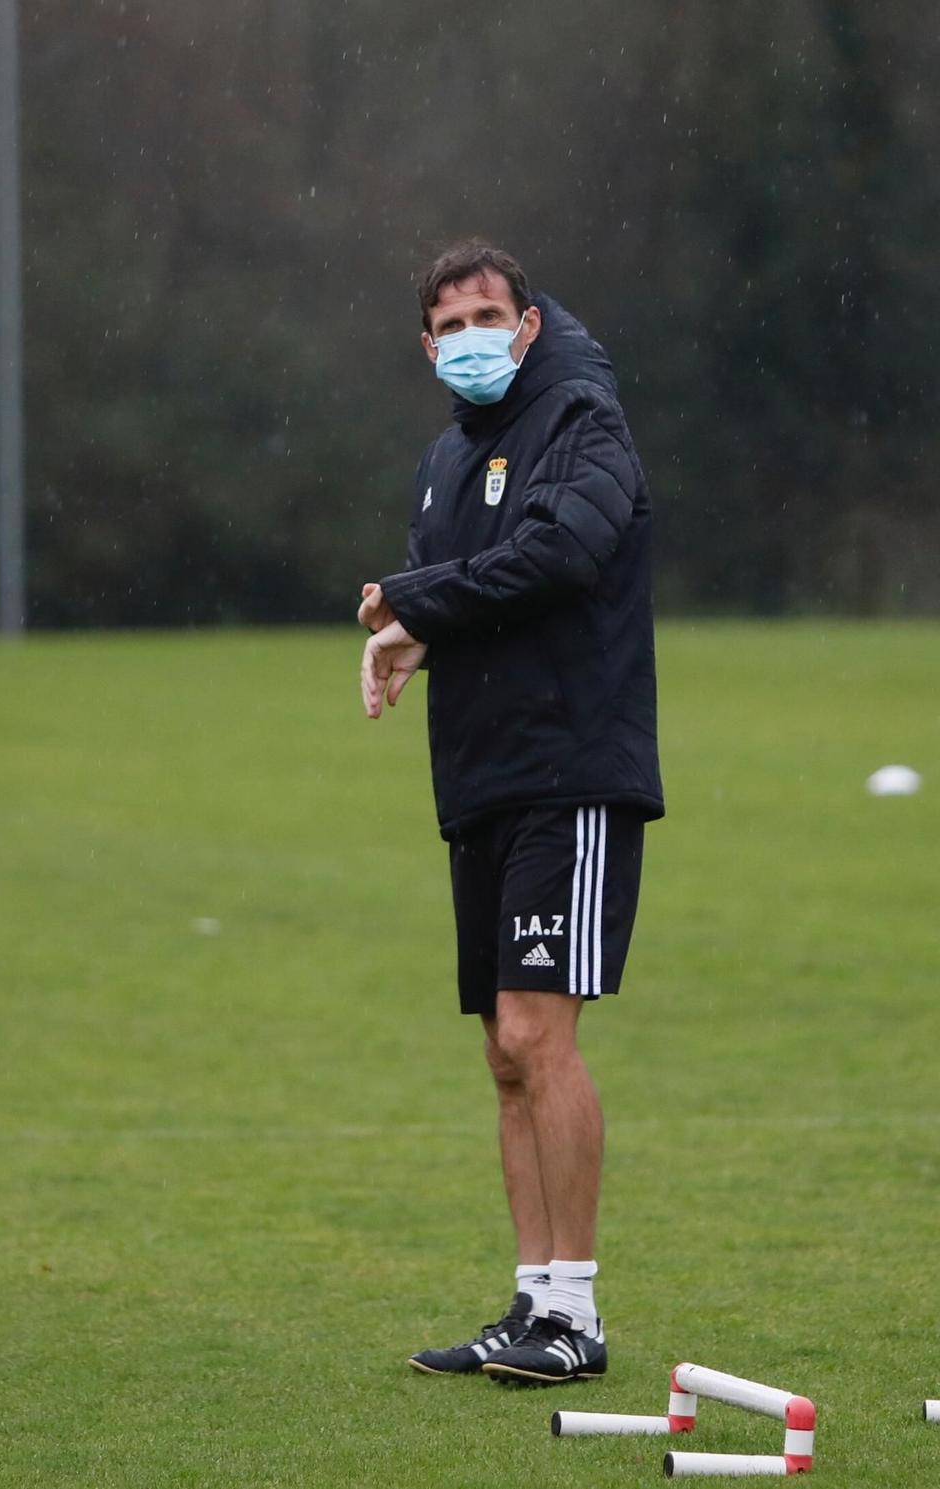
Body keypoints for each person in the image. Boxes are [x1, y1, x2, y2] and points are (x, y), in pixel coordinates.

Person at [359, 242, 662, 1386]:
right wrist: (412, 633)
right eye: (451, 323)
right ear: (427, 345)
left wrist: (413, 601)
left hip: (570, 769)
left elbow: (561, 553)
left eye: (491, 313)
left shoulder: (581, 417)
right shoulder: (445, 455)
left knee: (541, 1033)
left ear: (526, 325)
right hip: (479, 777)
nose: (473, 335)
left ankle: (575, 1312)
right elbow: (461, 586)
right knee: (500, 1051)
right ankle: (529, 1301)